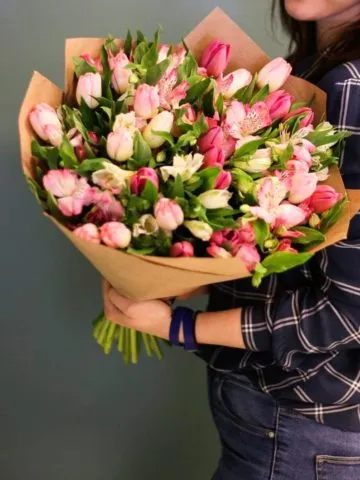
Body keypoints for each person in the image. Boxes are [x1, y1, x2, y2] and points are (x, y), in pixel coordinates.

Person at [103, 1, 360, 478]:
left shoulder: (350, 88)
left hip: (302, 428)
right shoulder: (308, 72)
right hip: (276, 419)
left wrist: (178, 326)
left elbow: (348, 315)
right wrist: (171, 270)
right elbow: (305, 257)